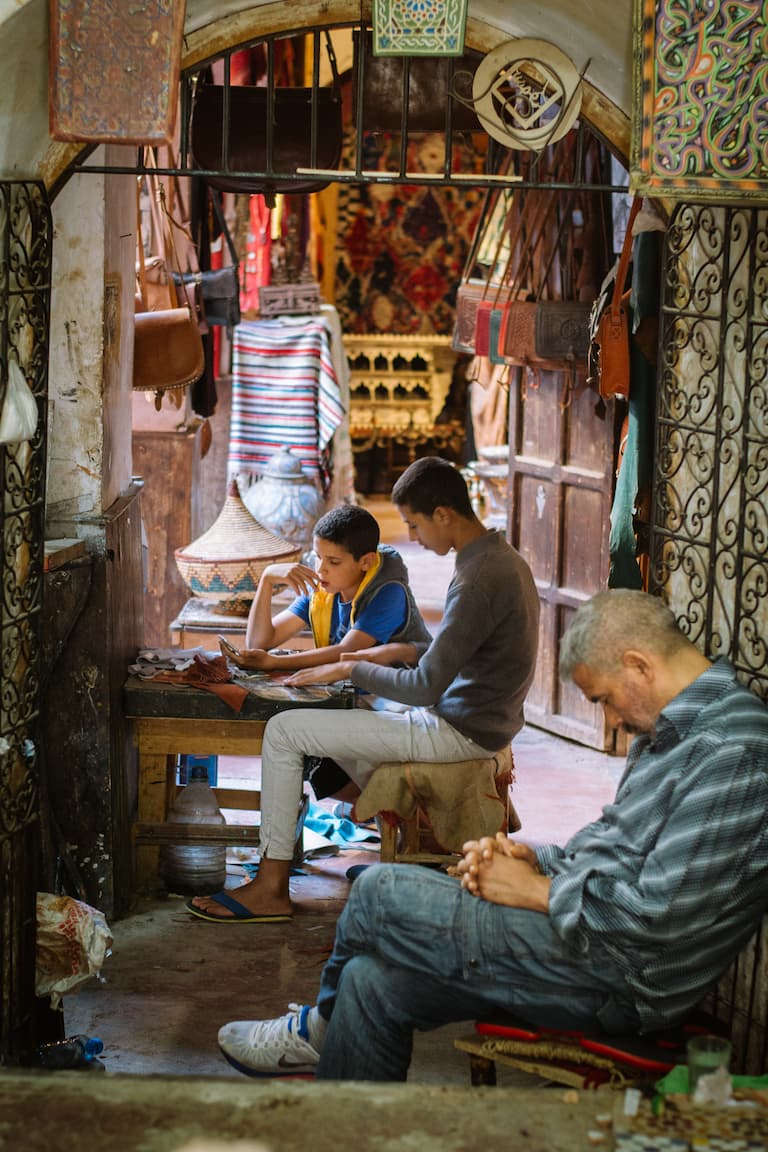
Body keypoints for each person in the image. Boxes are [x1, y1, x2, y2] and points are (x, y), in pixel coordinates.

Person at [215, 589, 768, 1081]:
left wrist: (536, 891)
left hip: (622, 975)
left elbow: (659, 917)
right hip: (588, 935)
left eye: (603, 700)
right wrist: (532, 856)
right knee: (367, 982)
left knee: (378, 893)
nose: (613, 720)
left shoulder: (732, 750)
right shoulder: (671, 727)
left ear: (638, 666)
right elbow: (610, 846)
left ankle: (315, 1031)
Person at [188, 455, 539, 924]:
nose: (412, 538)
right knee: (330, 721)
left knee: (284, 732)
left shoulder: (476, 578)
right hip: (471, 717)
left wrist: (349, 668)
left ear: (443, 514)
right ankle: (343, 861)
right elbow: (431, 665)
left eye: (414, 525)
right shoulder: (498, 559)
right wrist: (371, 659)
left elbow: (423, 687)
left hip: (460, 729)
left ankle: (271, 887)